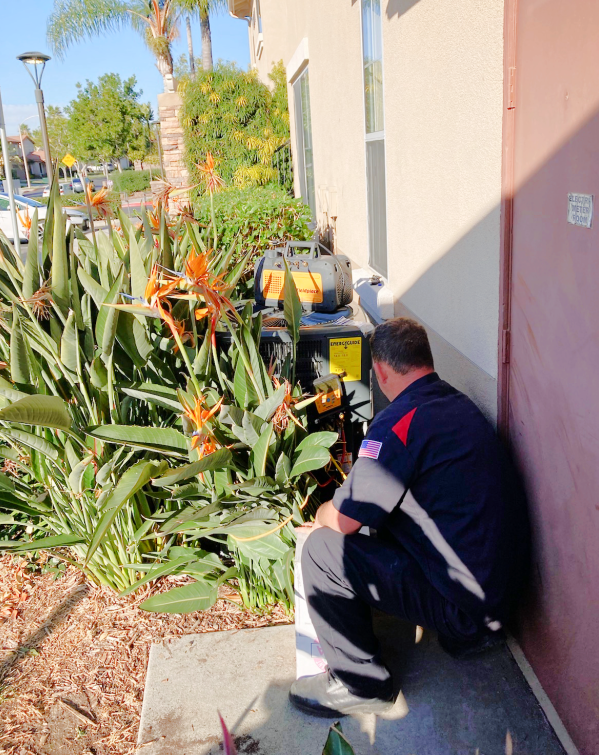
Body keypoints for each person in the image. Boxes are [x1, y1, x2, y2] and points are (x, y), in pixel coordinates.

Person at [289, 317, 529, 717]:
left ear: (380, 372)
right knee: (387, 518)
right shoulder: (455, 403)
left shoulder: (396, 425)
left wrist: (321, 512)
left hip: (466, 610)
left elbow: (344, 521)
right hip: (497, 597)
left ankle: (360, 684)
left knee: (321, 550)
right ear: (426, 360)